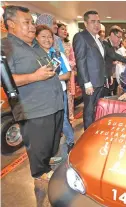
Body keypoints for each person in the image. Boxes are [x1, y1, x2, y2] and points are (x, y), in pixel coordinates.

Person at [2, 5, 64, 180]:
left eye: (33, 22)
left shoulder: (35, 45)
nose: (32, 26)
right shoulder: (5, 46)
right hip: (34, 109)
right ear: (11, 24)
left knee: (51, 141)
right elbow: (4, 79)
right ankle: (40, 172)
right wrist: (34, 77)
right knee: (39, 145)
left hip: (53, 104)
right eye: (27, 22)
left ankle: (48, 160)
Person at [36, 25, 75, 154]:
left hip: (59, 93)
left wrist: (49, 77)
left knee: (62, 119)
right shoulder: (33, 56)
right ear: (36, 38)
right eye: (43, 36)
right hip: (41, 95)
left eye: (49, 37)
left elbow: (67, 74)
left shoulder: (57, 55)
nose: (47, 40)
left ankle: (70, 141)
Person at [73, 10, 105, 130]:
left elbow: (100, 61)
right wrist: (87, 83)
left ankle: (94, 131)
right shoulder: (81, 37)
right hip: (90, 83)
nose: (96, 24)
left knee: (97, 109)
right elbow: (80, 61)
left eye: (98, 21)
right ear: (86, 24)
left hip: (99, 81)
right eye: (93, 21)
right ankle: (88, 134)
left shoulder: (97, 39)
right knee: (89, 110)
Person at [56, 23, 77, 122]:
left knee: (70, 96)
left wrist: (67, 64)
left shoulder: (68, 45)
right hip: (57, 74)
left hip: (69, 74)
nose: (65, 31)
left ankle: (70, 117)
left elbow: (73, 59)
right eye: (62, 29)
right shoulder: (53, 43)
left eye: (65, 29)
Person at [103, 25, 126, 96]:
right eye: (119, 37)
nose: (120, 39)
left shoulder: (110, 45)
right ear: (112, 34)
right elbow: (113, 55)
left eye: (121, 37)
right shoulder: (105, 44)